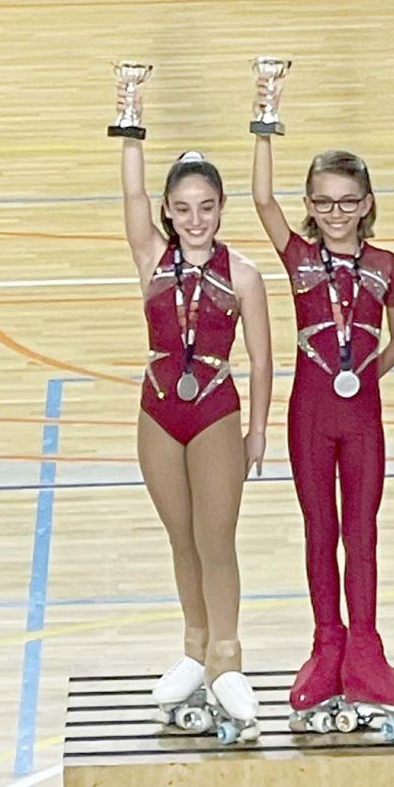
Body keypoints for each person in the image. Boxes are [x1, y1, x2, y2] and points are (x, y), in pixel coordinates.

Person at [252, 122, 394, 737]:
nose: (335, 213)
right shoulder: (297, 257)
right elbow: (262, 201)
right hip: (310, 416)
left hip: (361, 415)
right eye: (322, 203)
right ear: (310, 205)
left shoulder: (384, 265)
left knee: (363, 532)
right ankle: (329, 645)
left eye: (348, 201)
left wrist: (366, 373)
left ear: (367, 203)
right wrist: (264, 123)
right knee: (320, 530)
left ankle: (367, 651)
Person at [121, 122, 272, 744]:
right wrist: (129, 121)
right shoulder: (150, 256)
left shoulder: (244, 273)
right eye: (181, 209)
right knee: (181, 539)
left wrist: (258, 431)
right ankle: (194, 647)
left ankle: (227, 657)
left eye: (206, 207)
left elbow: (263, 359)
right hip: (158, 412)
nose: (194, 219)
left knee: (217, 541)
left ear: (221, 208)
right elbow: (129, 198)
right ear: (166, 211)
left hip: (214, 412)